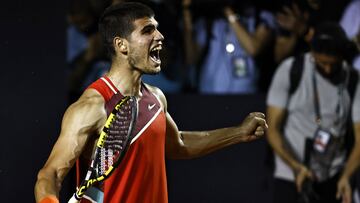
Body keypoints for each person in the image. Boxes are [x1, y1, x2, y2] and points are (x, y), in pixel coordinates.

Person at [34, 2, 268, 203]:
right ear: (121, 45)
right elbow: (51, 174)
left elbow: (179, 144)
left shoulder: (156, 98)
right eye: (148, 31)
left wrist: (238, 133)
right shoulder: (92, 107)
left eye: (157, 29)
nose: (160, 37)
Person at [267, 22, 360, 203]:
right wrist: (295, 166)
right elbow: (272, 129)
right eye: (322, 63)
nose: (327, 69)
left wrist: (347, 176)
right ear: (313, 54)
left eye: (333, 64)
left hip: (332, 175)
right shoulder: (291, 70)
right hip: (291, 174)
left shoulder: (354, 80)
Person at [182, 0, 276, 94]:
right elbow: (191, 58)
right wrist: (187, 14)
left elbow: (253, 48)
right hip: (209, 92)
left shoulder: (261, 15)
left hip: (246, 94)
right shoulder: (209, 18)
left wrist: (228, 12)